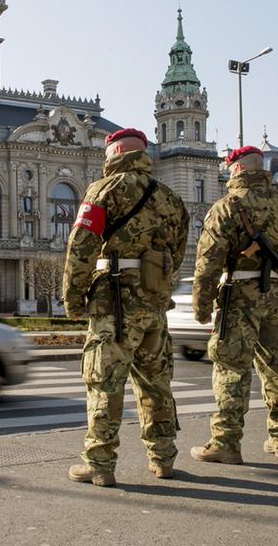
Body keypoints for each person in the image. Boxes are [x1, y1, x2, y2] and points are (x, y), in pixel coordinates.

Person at [62, 128, 189, 487]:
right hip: (154, 302)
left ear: (114, 154)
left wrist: (74, 299)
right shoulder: (170, 198)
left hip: (114, 303)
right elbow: (177, 253)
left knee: (105, 381)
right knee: (156, 382)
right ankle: (163, 458)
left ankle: (100, 463)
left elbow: (81, 247)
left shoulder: (103, 190)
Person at [191, 145, 278, 464]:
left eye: (230, 169)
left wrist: (202, 306)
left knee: (231, 367)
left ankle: (226, 442)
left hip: (239, 296)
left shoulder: (227, 206)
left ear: (238, 169)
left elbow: (208, 262)